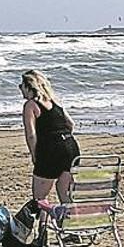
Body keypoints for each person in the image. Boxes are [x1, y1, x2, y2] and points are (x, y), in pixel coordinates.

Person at [19, 70, 80, 203]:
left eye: (21, 85)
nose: (20, 89)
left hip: (51, 150)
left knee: (40, 198)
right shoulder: (55, 101)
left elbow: (31, 135)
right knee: (64, 192)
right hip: (71, 148)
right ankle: (68, 220)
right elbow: (70, 124)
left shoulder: (31, 105)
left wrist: (35, 156)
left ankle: (43, 223)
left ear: (29, 87)